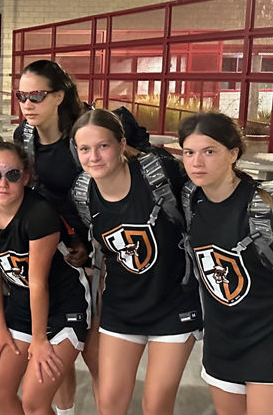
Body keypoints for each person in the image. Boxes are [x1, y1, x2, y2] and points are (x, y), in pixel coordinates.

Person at [179, 113, 273, 415]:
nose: (197, 162)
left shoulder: (267, 205)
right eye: (189, 152)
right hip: (221, 343)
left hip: (271, 341)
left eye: (209, 151)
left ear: (233, 154)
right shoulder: (190, 200)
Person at [72, 109, 202, 414]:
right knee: (109, 403)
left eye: (103, 146)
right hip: (122, 307)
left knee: (155, 406)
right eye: (85, 148)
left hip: (173, 305)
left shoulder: (158, 175)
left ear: (121, 144)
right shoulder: (82, 192)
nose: (94, 157)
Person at [0, 142, 91, 415]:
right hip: (22, 306)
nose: (3, 183)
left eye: (12, 175)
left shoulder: (39, 214)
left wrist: (39, 340)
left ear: (25, 177)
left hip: (63, 307)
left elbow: (38, 282)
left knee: (35, 401)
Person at [12, 59, 95, 414]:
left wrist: (90, 247)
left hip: (95, 252)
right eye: (21, 96)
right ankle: (66, 411)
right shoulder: (23, 137)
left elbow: (109, 193)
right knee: (61, 340)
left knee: (95, 354)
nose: (27, 104)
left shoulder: (82, 139)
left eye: (36, 96)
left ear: (59, 96)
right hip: (53, 251)